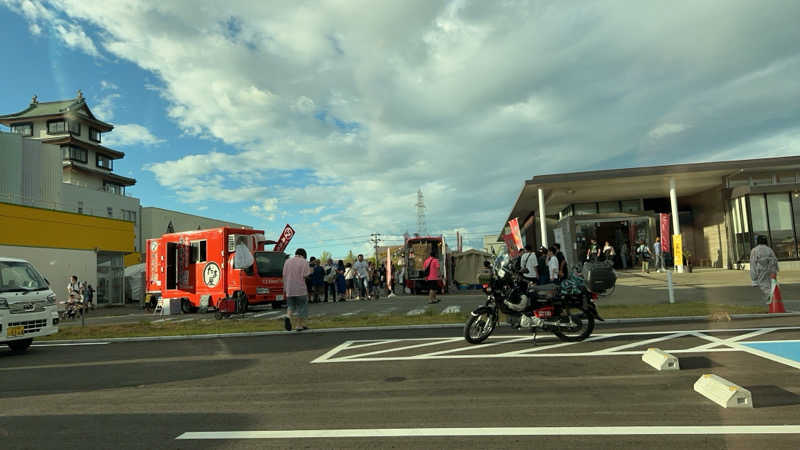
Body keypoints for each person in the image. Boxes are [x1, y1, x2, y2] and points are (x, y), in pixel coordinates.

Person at [282, 248, 312, 332]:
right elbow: (305, 275)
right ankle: (299, 325)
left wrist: (284, 288)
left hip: (289, 288)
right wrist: (310, 273)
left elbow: (284, 275)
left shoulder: (287, 261)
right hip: (300, 288)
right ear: (304, 255)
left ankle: (288, 316)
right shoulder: (304, 261)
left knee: (291, 306)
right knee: (301, 307)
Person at [750, 235, 779, 304]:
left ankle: (771, 298)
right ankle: (773, 297)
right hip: (771, 268)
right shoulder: (769, 249)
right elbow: (775, 259)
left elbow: (753, 263)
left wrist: (753, 277)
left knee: (763, 285)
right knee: (771, 284)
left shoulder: (755, 250)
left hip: (761, 269)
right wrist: (775, 269)